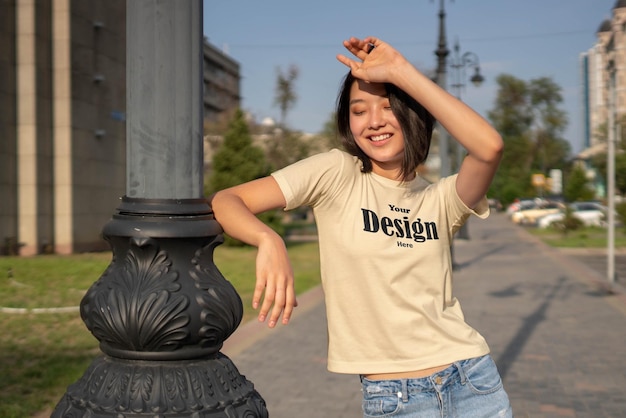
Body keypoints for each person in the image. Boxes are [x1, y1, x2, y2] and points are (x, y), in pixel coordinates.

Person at [210, 36, 513, 417]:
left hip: (471, 381)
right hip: (394, 397)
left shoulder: (442, 199)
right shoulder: (337, 173)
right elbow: (226, 200)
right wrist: (267, 239)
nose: (374, 121)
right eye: (359, 110)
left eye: (388, 107)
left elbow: (489, 147)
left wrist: (401, 71)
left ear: (412, 114)